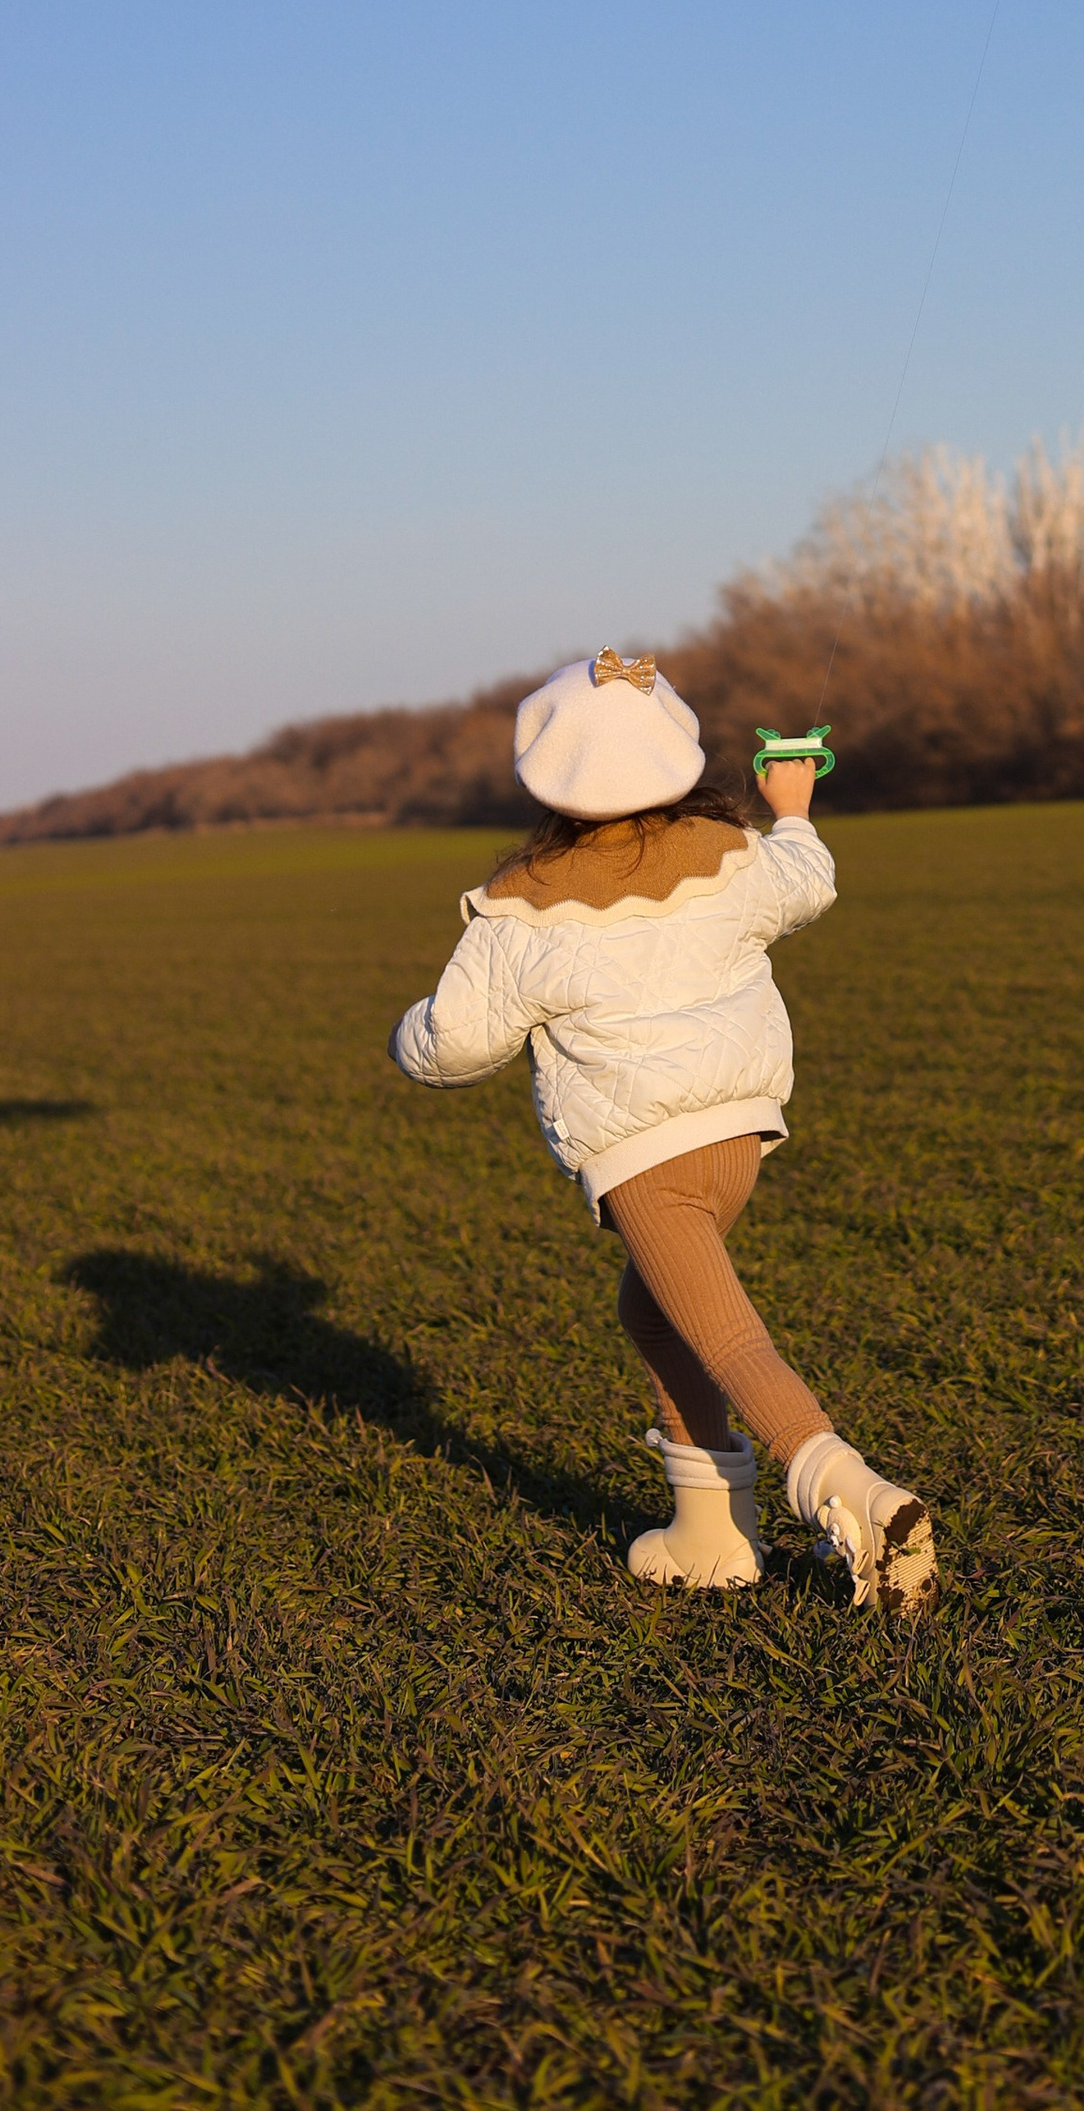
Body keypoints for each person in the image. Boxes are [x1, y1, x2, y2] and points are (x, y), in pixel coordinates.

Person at [387, 646, 937, 1616]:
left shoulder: (520, 908)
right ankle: (711, 1534)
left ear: (546, 776)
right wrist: (793, 804)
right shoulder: (732, 857)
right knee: (653, 1311)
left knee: (730, 1340)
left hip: (648, 1163)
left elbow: (457, 1045)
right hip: (739, 1144)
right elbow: (805, 884)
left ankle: (853, 1498)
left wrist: (408, 1037)